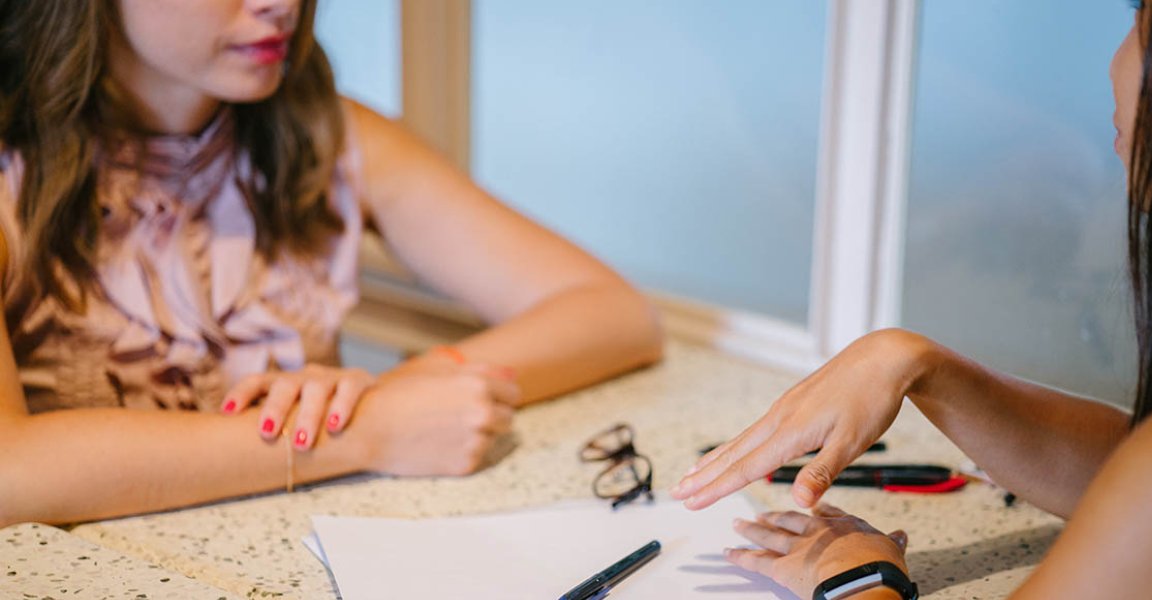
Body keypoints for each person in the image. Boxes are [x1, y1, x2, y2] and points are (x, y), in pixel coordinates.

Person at [0, 0, 662, 527]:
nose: (281, 5)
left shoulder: (335, 137)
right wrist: (362, 436)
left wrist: (417, 383)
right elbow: (10, 473)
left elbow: (614, 313)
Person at [671, 1, 1152, 598]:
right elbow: (1149, 477)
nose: (1114, 63)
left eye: (1141, 20)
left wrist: (860, 576)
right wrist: (914, 361)